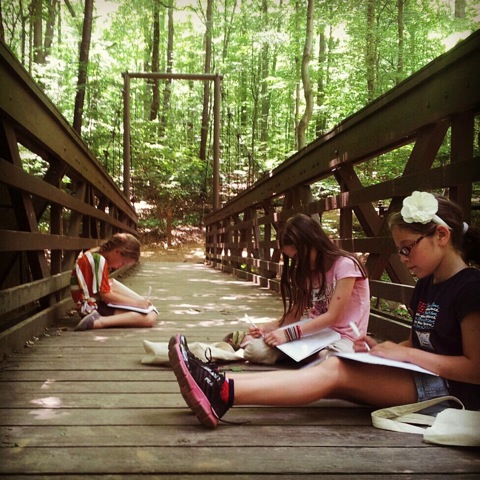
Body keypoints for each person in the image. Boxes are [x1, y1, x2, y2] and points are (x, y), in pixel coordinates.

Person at [168, 192, 480, 428]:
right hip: (423, 376)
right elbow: (421, 343)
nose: (402, 257)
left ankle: (223, 391)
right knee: (333, 371)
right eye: (399, 250)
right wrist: (382, 349)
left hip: (452, 393)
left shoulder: (470, 289)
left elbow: (474, 369)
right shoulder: (427, 285)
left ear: (441, 236)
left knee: (335, 372)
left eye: (407, 248)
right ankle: (219, 383)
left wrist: (407, 355)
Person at [228, 213, 370, 365]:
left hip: (344, 338)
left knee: (335, 359)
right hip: (314, 332)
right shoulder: (309, 271)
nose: (297, 262)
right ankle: (309, 358)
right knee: (255, 351)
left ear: (312, 242)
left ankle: (308, 357)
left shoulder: (346, 265)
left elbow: (332, 316)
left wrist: (288, 334)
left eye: (297, 256)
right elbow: (294, 315)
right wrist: (265, 328)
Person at [70, 233, 157, 330]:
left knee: (151, 313)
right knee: (149, 317)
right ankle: (98, 322)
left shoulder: (95, 255)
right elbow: (106, 295)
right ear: (117, 252)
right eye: (123, 262)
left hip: (91, 305)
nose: (121, 266)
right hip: (91, 308)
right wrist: (136, 304)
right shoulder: (99, 260)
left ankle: (98, 320)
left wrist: (138, 302)